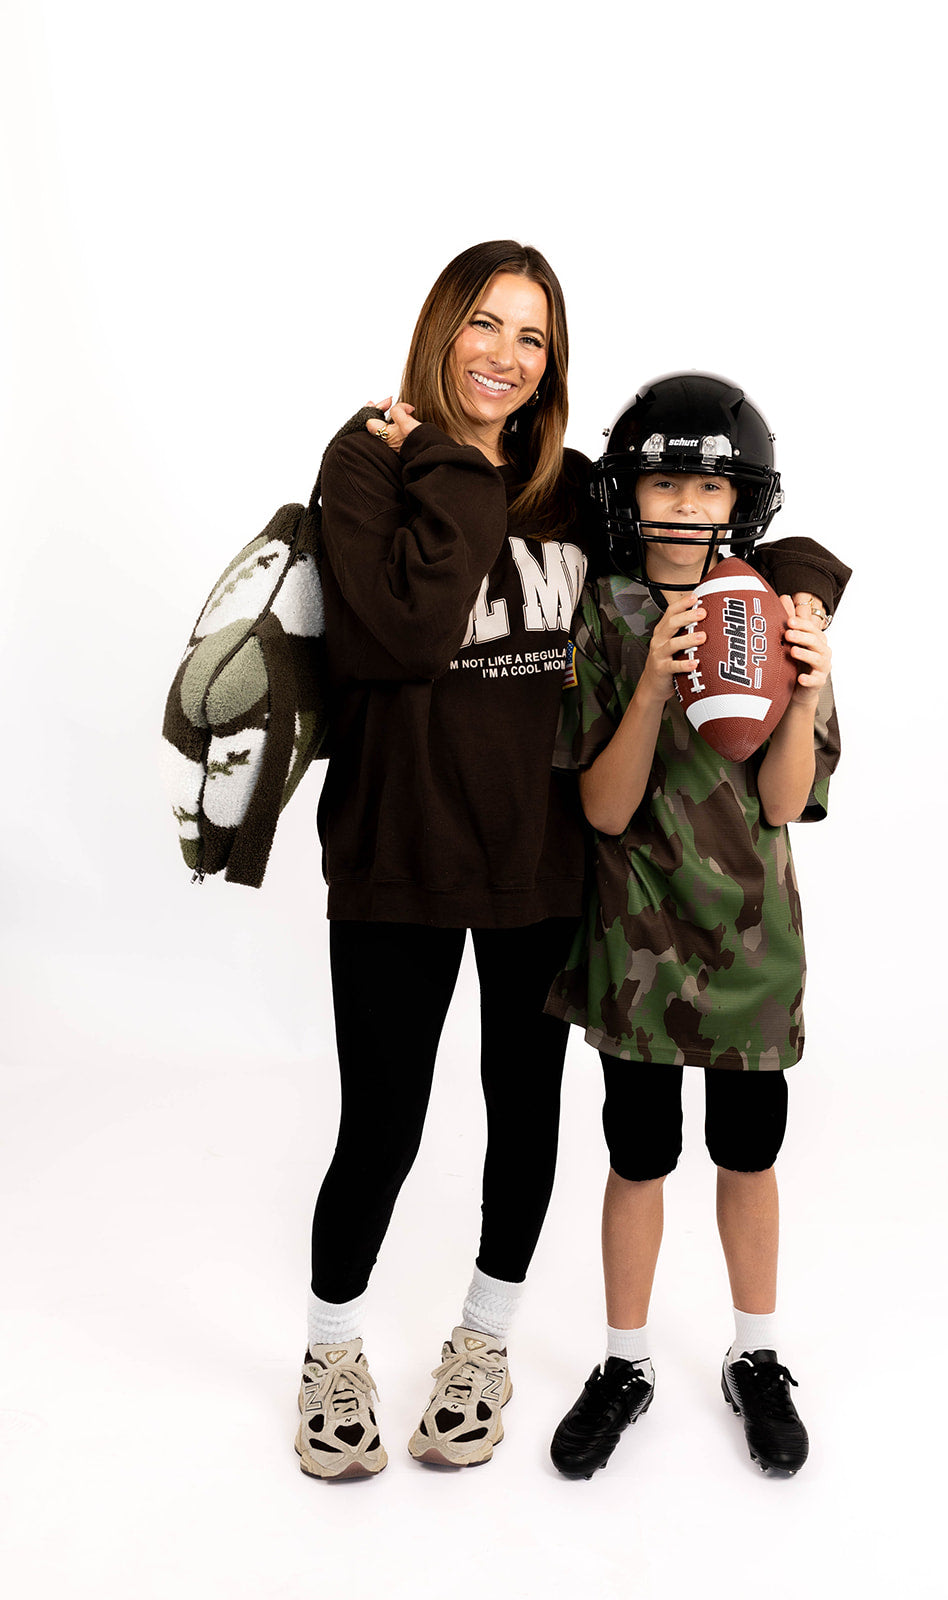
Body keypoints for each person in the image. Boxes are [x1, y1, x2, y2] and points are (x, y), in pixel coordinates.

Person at [297, 240, 601, 1477]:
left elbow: (703, 536)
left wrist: (799, 589)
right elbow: (405, 631)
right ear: (442, 327)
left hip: (537, 858)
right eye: (486, 325)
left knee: (523, 1114)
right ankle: (329, 1348)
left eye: (533, 338)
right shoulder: (369, 460)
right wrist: (447, 458)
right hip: (397, 852)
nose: (505, 357)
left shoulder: (573, 490)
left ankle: (483, 1341)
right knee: (381, 1122)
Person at [544, 372, 850, 1479]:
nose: (681, 503)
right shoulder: (605, 609)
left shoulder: (779, 615)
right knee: (637, 1154)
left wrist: (803, 698)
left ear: (742, 500)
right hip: (633, 948)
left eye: (705, 484)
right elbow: (604, 807)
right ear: (630, 487)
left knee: (746, 1150)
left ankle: (754, 1353)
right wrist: (646, 687)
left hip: (750, 949)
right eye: (663, 478)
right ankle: (624, 1359)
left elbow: (781, 803)